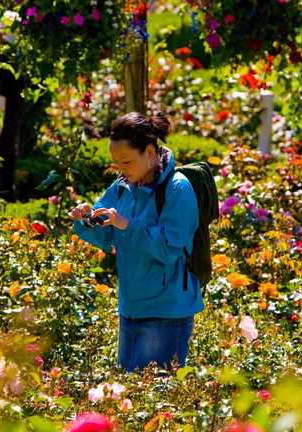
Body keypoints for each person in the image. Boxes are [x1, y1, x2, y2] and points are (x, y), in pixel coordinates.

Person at [69, 111, 204, 372]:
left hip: (166, 313)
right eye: (116, 164)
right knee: (129, 397)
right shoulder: (123, 186)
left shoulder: (178, 188)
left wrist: (126, 224)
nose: (120, 170)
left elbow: (169, 249)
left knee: (156, 401)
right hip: (131, 308)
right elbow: (106, 236)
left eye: (126, 162)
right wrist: (85, 219)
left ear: (150, 152)